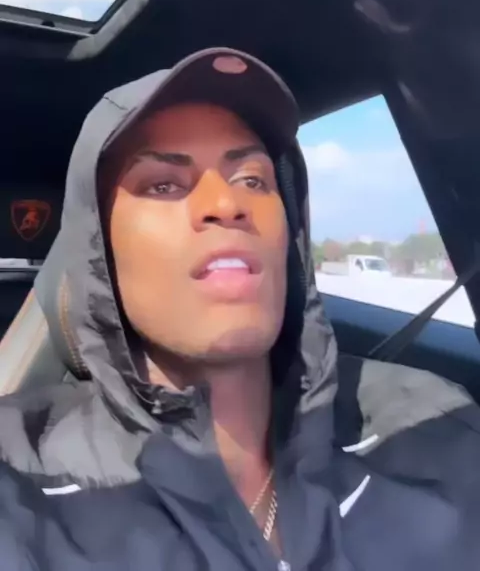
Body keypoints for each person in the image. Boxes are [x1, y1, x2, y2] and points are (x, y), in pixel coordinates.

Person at [0, 47, 479, 570]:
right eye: (163, 184)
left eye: (252, 180)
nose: (227, 204)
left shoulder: (436, 425)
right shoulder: (20, 477)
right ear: (100, 252)